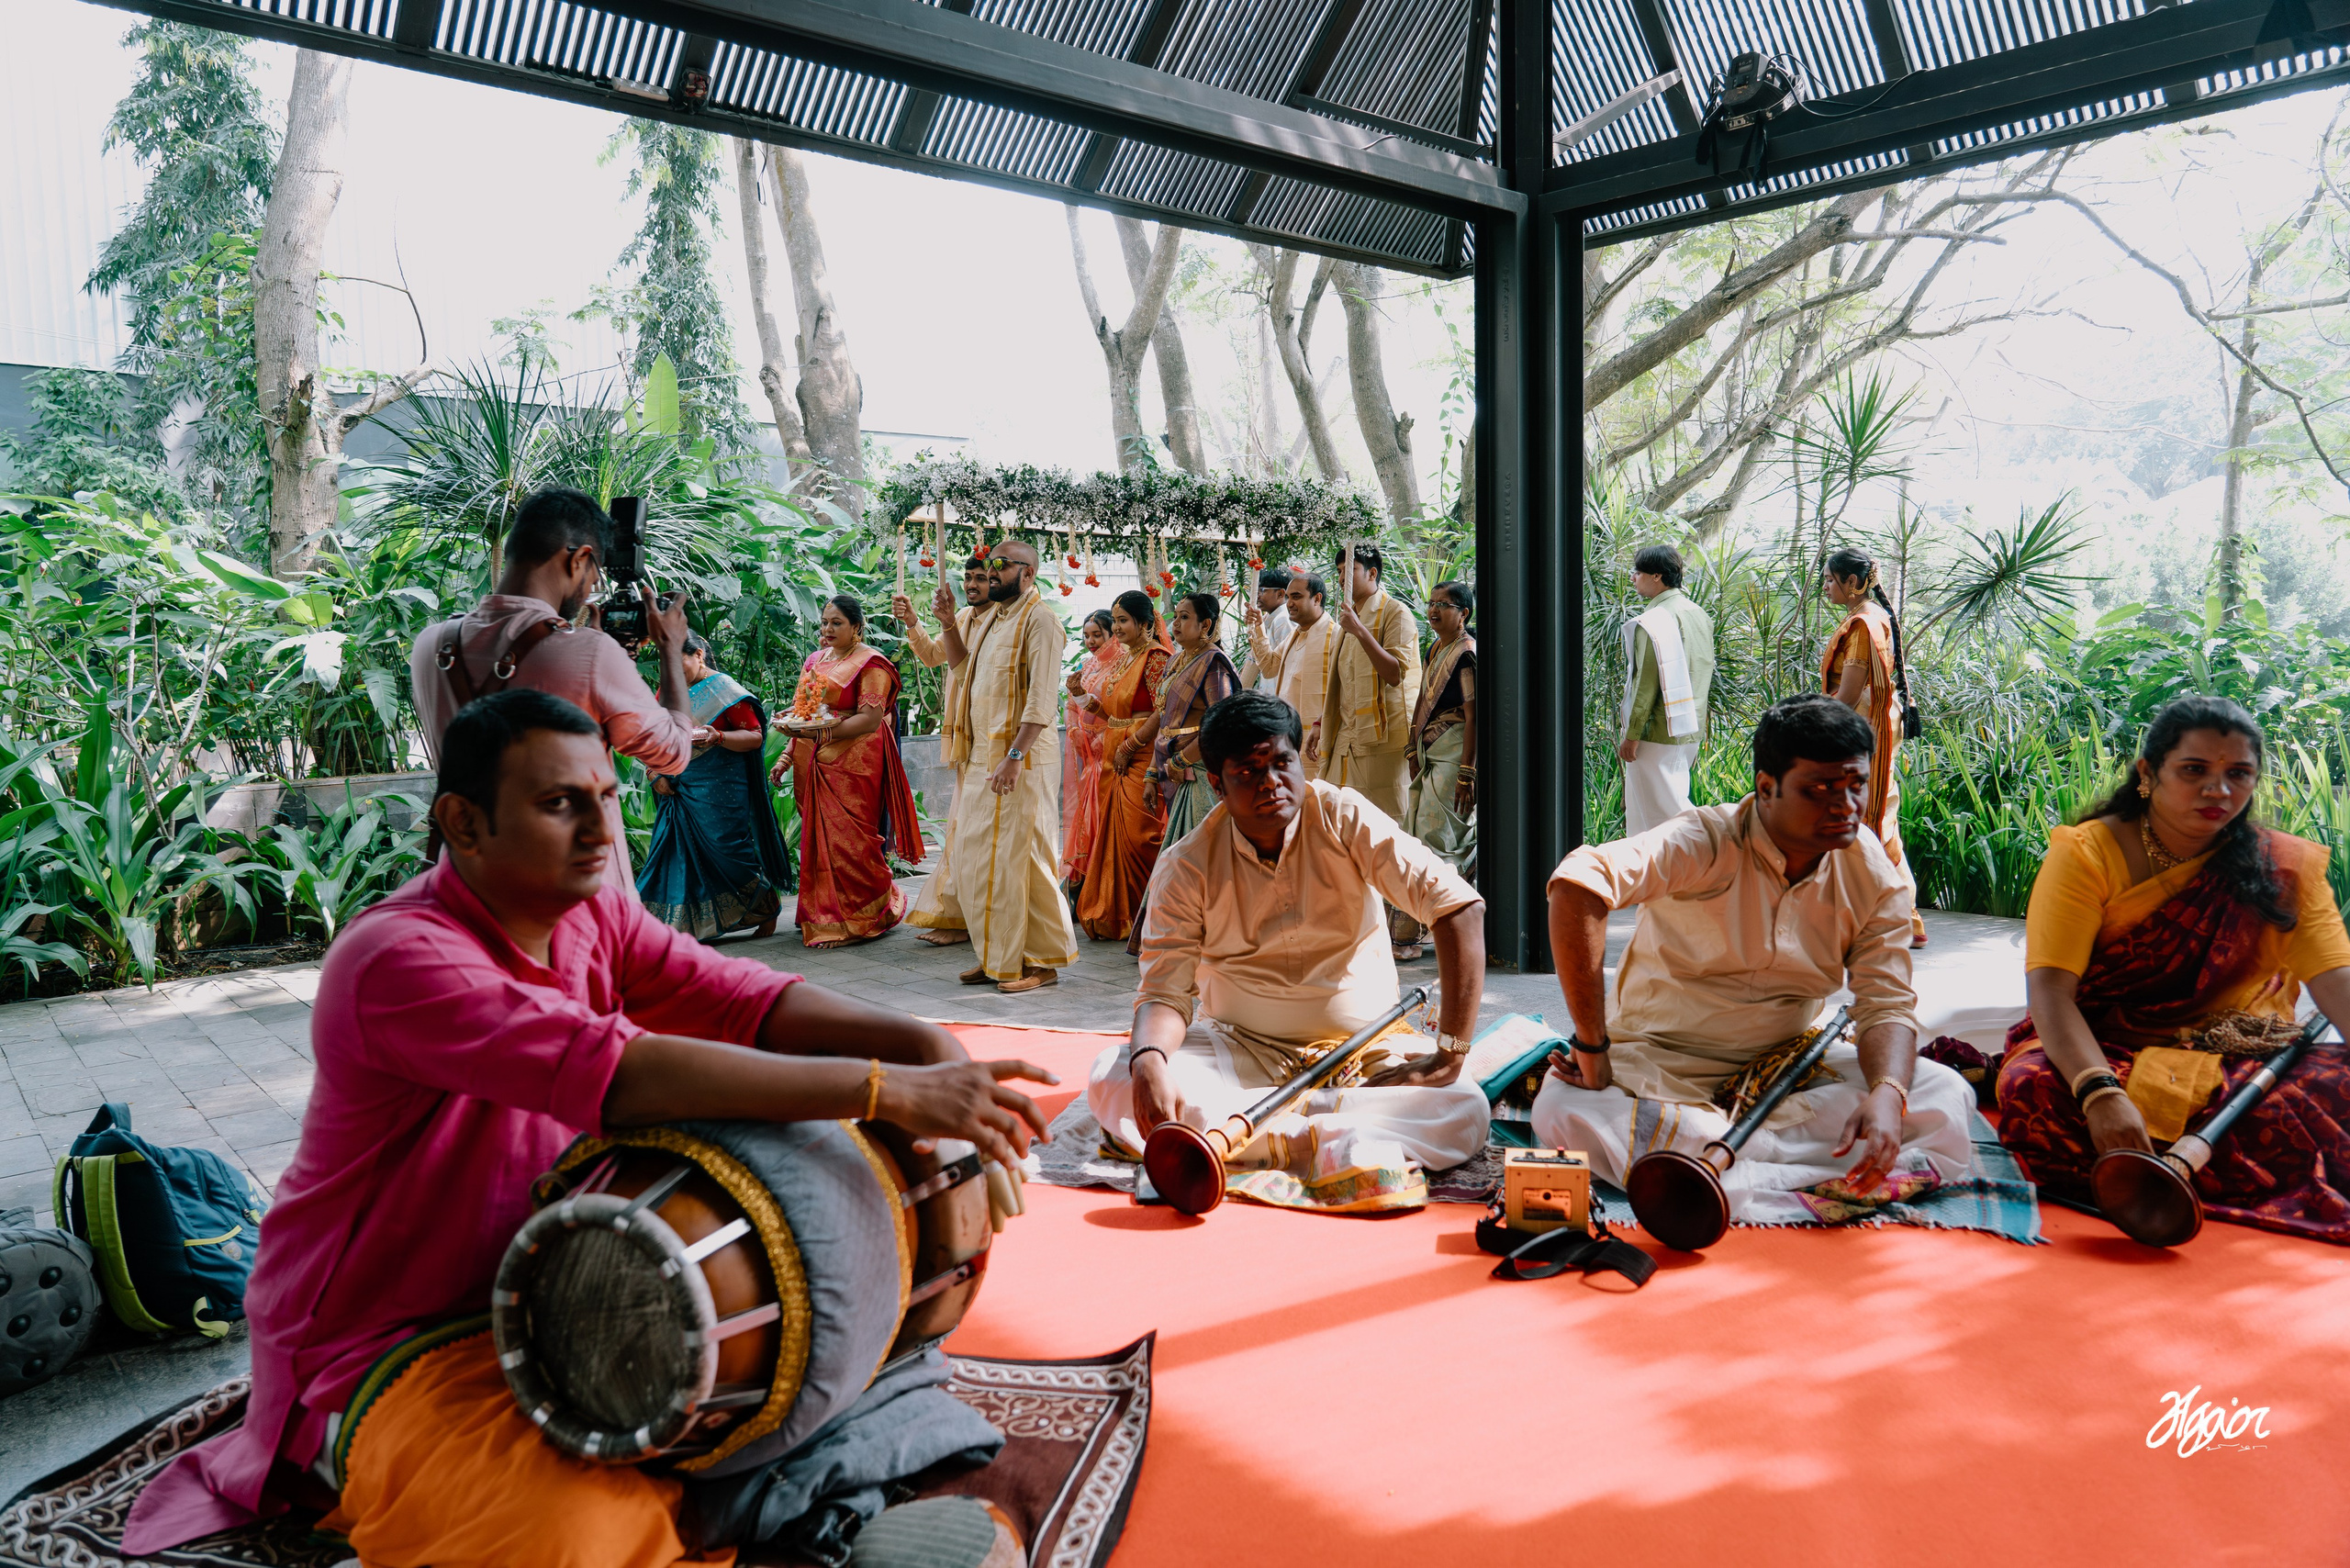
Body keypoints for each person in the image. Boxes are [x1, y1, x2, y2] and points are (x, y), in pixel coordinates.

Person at [121, 689, 1057, 1564]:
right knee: (577, 1531)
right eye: (562, 803)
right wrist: (884, 1091)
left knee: (813, 1395)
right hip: (381, 1345)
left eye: (607, 795)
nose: (603, 829)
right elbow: (617, 1070)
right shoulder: (394, 960)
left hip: (563, 1290)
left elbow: (742, 998)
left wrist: (928, 1040)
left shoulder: (592, 910)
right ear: (464, 824)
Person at [1533, 694, 1976, 1227]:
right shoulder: (1704, 838)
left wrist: (1886, 1095)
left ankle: (1724, 1170)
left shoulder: (1873, 874)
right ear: (1766, 788)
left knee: (1943, 1094)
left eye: (1856, 784)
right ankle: (1794, 1176)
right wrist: (1590, 1042)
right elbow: (1578, 884)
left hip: (1785, 1068)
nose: (1845, 806)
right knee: (1561, 1109)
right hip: (1658, 1061)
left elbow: (1885, 1005)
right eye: (1819, 789)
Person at [1088, 691, 1492, 1213]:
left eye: (1282, 762)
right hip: (1242, 1048)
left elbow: (1458, 908)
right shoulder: (1185, 866)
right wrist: (1148, 1060)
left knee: (1462, 1106)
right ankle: (1337, 1139)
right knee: (1114, 1074)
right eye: (1248, 772)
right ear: (1216, 784)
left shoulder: (1343, 816)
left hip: (1367, 1050)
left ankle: (1247, 1137)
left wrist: (1448, 1056)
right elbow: (1166, 991)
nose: (1271, 783)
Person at [1996, 696, 2350, 1240]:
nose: (2219, 790)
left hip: (2235, 1052)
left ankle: (2153, 1167)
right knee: (2032, 1086)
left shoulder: (2284, 867)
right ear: (2147, 773)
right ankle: (2195, 1159)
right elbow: (2050, 993)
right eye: (2194, 770)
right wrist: (2100, 1094)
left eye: (2238, 774)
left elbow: (2336, 983)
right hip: (2109, 1048)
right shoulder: (2088, 853)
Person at [410, 486, 693, 897]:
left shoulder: (431, 645)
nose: (592, 587)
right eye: (594, 574)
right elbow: (673, 754)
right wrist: (670, 651)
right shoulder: (588, 653)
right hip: (570, 897)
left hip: (469, 888)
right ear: (578, 559)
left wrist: (606, 658)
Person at [905, 540, 1080, 994]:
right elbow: (962, 670)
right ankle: (997, 958)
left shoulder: (1040, 621)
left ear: (1027, 572)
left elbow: (1042, 700)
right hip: (985, 758)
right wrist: (946, 623)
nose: (991, 572)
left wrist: (1015, 757)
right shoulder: (992, 620)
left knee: (1026, 862)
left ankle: (1041, 963)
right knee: (980, 861)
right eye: (989, 565)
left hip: (1020, 762)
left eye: (999, 566)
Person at [775, 596, 925, 949]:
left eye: (836, 623)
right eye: (824, 622)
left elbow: (870, 719)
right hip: (810, 760)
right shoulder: (815, 660)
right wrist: (786, 752)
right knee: (819, 841)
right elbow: (804, 709)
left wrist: (821, 733)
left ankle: (860, 918)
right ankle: (824, 913)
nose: (827, 629)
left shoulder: (872, 663)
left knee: (851, 841)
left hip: (852, 762)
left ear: (857, 627)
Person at [636, 632, 795, 941]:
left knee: (728, 851)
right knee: (673, 856)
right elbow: (653, 737)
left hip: (720, 786)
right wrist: (654, 772)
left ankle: (764, 905)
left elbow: (755, 736)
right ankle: (684, 927)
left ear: (698, 655)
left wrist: (717, 736)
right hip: (679, 786)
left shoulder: (724, 691)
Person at [1821, 544, 1926, 945]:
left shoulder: (1864, 623)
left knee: (1869, 822)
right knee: (1877, 820)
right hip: (1873, 729)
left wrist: (1809, 718)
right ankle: (1900, 918)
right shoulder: (1873, 616)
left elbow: (1848, 694)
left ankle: (1894, 918)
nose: (1826, 587)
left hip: (1863, 732)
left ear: (1852, 583)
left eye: (1831, 580)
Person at [897, 554, 992, 948]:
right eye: (968, 577)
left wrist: (947, 622)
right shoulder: (967, 618)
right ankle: (957, 914)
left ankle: (968, 916)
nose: (971, 584)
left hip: (989, 736)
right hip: (964, 738)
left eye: (981, 578)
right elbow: (934, 656)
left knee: (972, 829)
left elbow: (968, 672)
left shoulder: (1000, 623)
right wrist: (913, 623)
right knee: (960, 827)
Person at [1075, 592, 1173, 942]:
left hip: (1142, 755)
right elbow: (1112, 714)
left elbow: (1164, 711)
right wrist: (1082, 697)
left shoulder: (1156, 659)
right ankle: (1114, 913)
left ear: (1146, 623)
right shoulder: (1123, 659)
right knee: (1113, 833)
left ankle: (1147, 914)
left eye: (1123, 621)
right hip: (1113, 756)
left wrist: (1131, 745)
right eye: (1114, 621)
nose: (1116, 628)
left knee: (1139, 835)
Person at [1393, 580, 1476, 963]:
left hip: (1454, 752)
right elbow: (1422, 700)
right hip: (1428, 752)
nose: (1434, 610)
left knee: (1435, 840)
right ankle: (1419, 929)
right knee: (1415, 834)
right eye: (1431, 603)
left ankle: (1433, 928)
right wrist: (1413, 746)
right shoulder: (1435, 649)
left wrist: (1467, 772)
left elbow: (1474, 716)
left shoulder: (1466, 654)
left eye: (1444, 604)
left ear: (1464, 614)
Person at [1315, 544, 1420, 825]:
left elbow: (1395, 674)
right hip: (1344, 736)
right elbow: (1344, 682)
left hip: (1382, 740)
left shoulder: (1395, 612)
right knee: (1337, 819)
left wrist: (1359, 630)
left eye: (1348, 571)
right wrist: (1319, 723)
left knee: (1384, 823)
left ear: (1372, 573)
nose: (1340, 580)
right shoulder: (1347, 620)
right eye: (1338, 572)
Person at [1617, 543, 1714, 838]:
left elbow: (1645, 685)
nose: (1633, 578)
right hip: (1689, 730)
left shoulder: (1654, 621)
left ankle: (1707, 865)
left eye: (1638, 572)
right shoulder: (1700, 615)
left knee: (1655, 823)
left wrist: (1632, 735)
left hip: (1656, 732)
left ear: (1656, 576)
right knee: (1668, 810)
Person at [1150, 591, 1243, 850]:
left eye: (1184, 617)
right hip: (1174, 764)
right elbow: (1164, 718)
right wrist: (1150, 773)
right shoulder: (1176, 660)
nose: (1175, 624)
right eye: (1176, 617)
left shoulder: (1214, 664)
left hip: (1199, 770)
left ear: (1206, 625)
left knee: (1199, 851)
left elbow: (1222, 724)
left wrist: (1182, 760)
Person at [1245, 570, 1338, 779]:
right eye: (1288, 597)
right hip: (1288, 736)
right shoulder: (1294, 636)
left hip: (1318, 740)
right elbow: (1269, 668)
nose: (1289, 603)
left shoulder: (1335, 636)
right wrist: (1258, 628)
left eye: (1296, 597)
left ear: (1317, 598)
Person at [1061, 609, 1121, 888]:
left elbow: (1120, 710)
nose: (1091, 640)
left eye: (1097, 634)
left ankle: (1103, 883)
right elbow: (1072, 705)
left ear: (1113, 633)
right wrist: (1075, 731)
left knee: (1106, 819)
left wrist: (1104, 737)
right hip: (1089, 753)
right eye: (1086, 635)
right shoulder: (1087, 666)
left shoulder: (1123, 664)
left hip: (1111, 751)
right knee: (1088, 818)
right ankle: (1083, 884)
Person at [1236, 566, 1292, 693]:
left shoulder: (1283, 620)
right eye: (1255, 590)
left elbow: (1284, 665)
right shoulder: (1269, 617)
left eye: (1262, 590)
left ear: (1281, 594)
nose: (1257, 595)